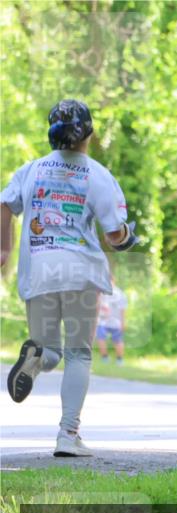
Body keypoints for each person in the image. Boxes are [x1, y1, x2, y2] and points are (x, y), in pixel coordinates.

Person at [1, 99, 138, 457]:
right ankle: (67, 435)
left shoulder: (30, 170)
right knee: (78, 353)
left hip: (40, 268)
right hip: (80, 272)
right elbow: (114, 235)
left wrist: (3, 250)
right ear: (88, 135)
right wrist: (128, 237)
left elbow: (5, 204)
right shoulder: (98, 175)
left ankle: (35, 358)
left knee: (49, 350)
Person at [96, 280, 128, 365]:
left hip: (116, 322)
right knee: (100, 338)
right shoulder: (101, 292)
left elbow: (123, 309)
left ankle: (119, 359)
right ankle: (105, 358)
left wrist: (123, 322)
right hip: (102, 321)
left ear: (113, 281)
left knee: (117, 340)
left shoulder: (120, 293)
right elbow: (97, 305)